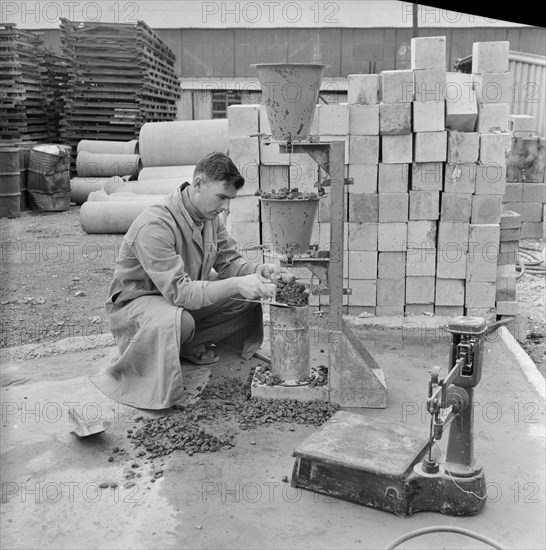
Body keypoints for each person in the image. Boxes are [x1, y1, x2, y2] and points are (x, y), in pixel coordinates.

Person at [90, 152, 294, 410]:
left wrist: (263, 271)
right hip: (136, 309)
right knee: (181, 319)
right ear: (198, 184)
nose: (225, 207)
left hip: (176, 300)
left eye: (229, 200)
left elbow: (230, 264)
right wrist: (237, 284)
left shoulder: (210, 219)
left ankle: (184, 345)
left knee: (245, 296)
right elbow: (180, 293)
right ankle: (151, 355)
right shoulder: (155, 225)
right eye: (221, 197)